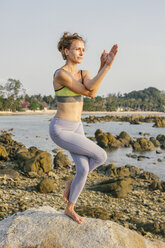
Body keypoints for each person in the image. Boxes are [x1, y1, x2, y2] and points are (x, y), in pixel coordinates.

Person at [49, 32, 118, 224]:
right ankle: (72, 184)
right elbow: (85, 91)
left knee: (83, 168)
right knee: (101, 156)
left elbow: (93, 91)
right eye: (77, 49)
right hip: (61, 129)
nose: (81, 53)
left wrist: (104, 67)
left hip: (76, 127)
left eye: (83, 50)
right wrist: (106, 67)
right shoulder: (61, 74)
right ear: (66, 51)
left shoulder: (84, 73)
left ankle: (69, 207)